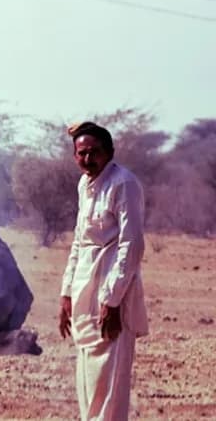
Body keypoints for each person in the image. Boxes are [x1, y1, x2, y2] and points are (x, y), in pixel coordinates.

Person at [58, 121, 149, 420]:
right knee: (88, 379)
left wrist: (112, 300)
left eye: (94, 152)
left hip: (112, 293)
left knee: (109, 384)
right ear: (74, 156)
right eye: (81, 153)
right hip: (84, 291)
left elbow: (131, 245)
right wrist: (66, 293)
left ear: (109, 152)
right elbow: (79, 241)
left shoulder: (123, 183)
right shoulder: (84, 185)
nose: (87, 159)